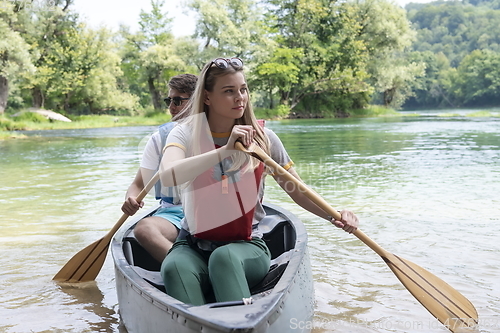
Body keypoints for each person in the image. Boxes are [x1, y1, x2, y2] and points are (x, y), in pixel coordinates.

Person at [158, 58, 359, 306]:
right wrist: (224, 151)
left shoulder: (264, 139)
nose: (240, 97)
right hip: (192, 244)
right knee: (174, 267)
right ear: (207, 97)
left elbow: (297, 190)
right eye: (229, 91)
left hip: (247, 246)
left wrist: (335, 215)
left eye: (243, 89)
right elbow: (168, 175)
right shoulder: (184, 133)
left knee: (224, 258)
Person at [121, 73, 198, 263]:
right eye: (169, 100)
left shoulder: (218, 133)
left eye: (178, 101)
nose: (171, 107)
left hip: (209, 211)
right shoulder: (158, 140)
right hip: (174, 214)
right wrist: (130, 199)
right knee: (144, 229)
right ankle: (186, 267)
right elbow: (137, 185)